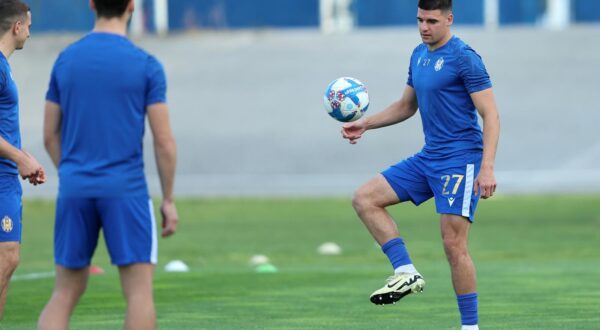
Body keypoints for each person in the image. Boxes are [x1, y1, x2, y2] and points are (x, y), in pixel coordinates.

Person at [342, 0, 499, 329]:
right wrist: (366, 124)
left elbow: (491, 114)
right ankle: (405, 272)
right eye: (420, 20)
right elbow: (406, 106)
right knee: (364, 198)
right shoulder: (419, 54)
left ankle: (470, 327)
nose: (424, 27)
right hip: (430, 157)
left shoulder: (464, 58)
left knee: (453, 245)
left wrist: (486, 167)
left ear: (449, 19)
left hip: (460, 160)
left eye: (431, 20)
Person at [37, 0, 178, 329]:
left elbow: (49, 134)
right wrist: (168, 199)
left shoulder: (65, 60)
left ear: (91, 4)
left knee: (65, 292)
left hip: (75, 188)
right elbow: (164, 141)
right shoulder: (146, 65)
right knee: (139, 294)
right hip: (125, 189)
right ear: (131, 6)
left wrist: (72, 172)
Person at [0, 0, 46, 320]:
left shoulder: (5, 66)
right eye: (28, 26)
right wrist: (18, 157)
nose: (30, 32)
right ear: (17, 26)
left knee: (9, 260)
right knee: (5, 259)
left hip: (7, 174)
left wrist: (23, 158)